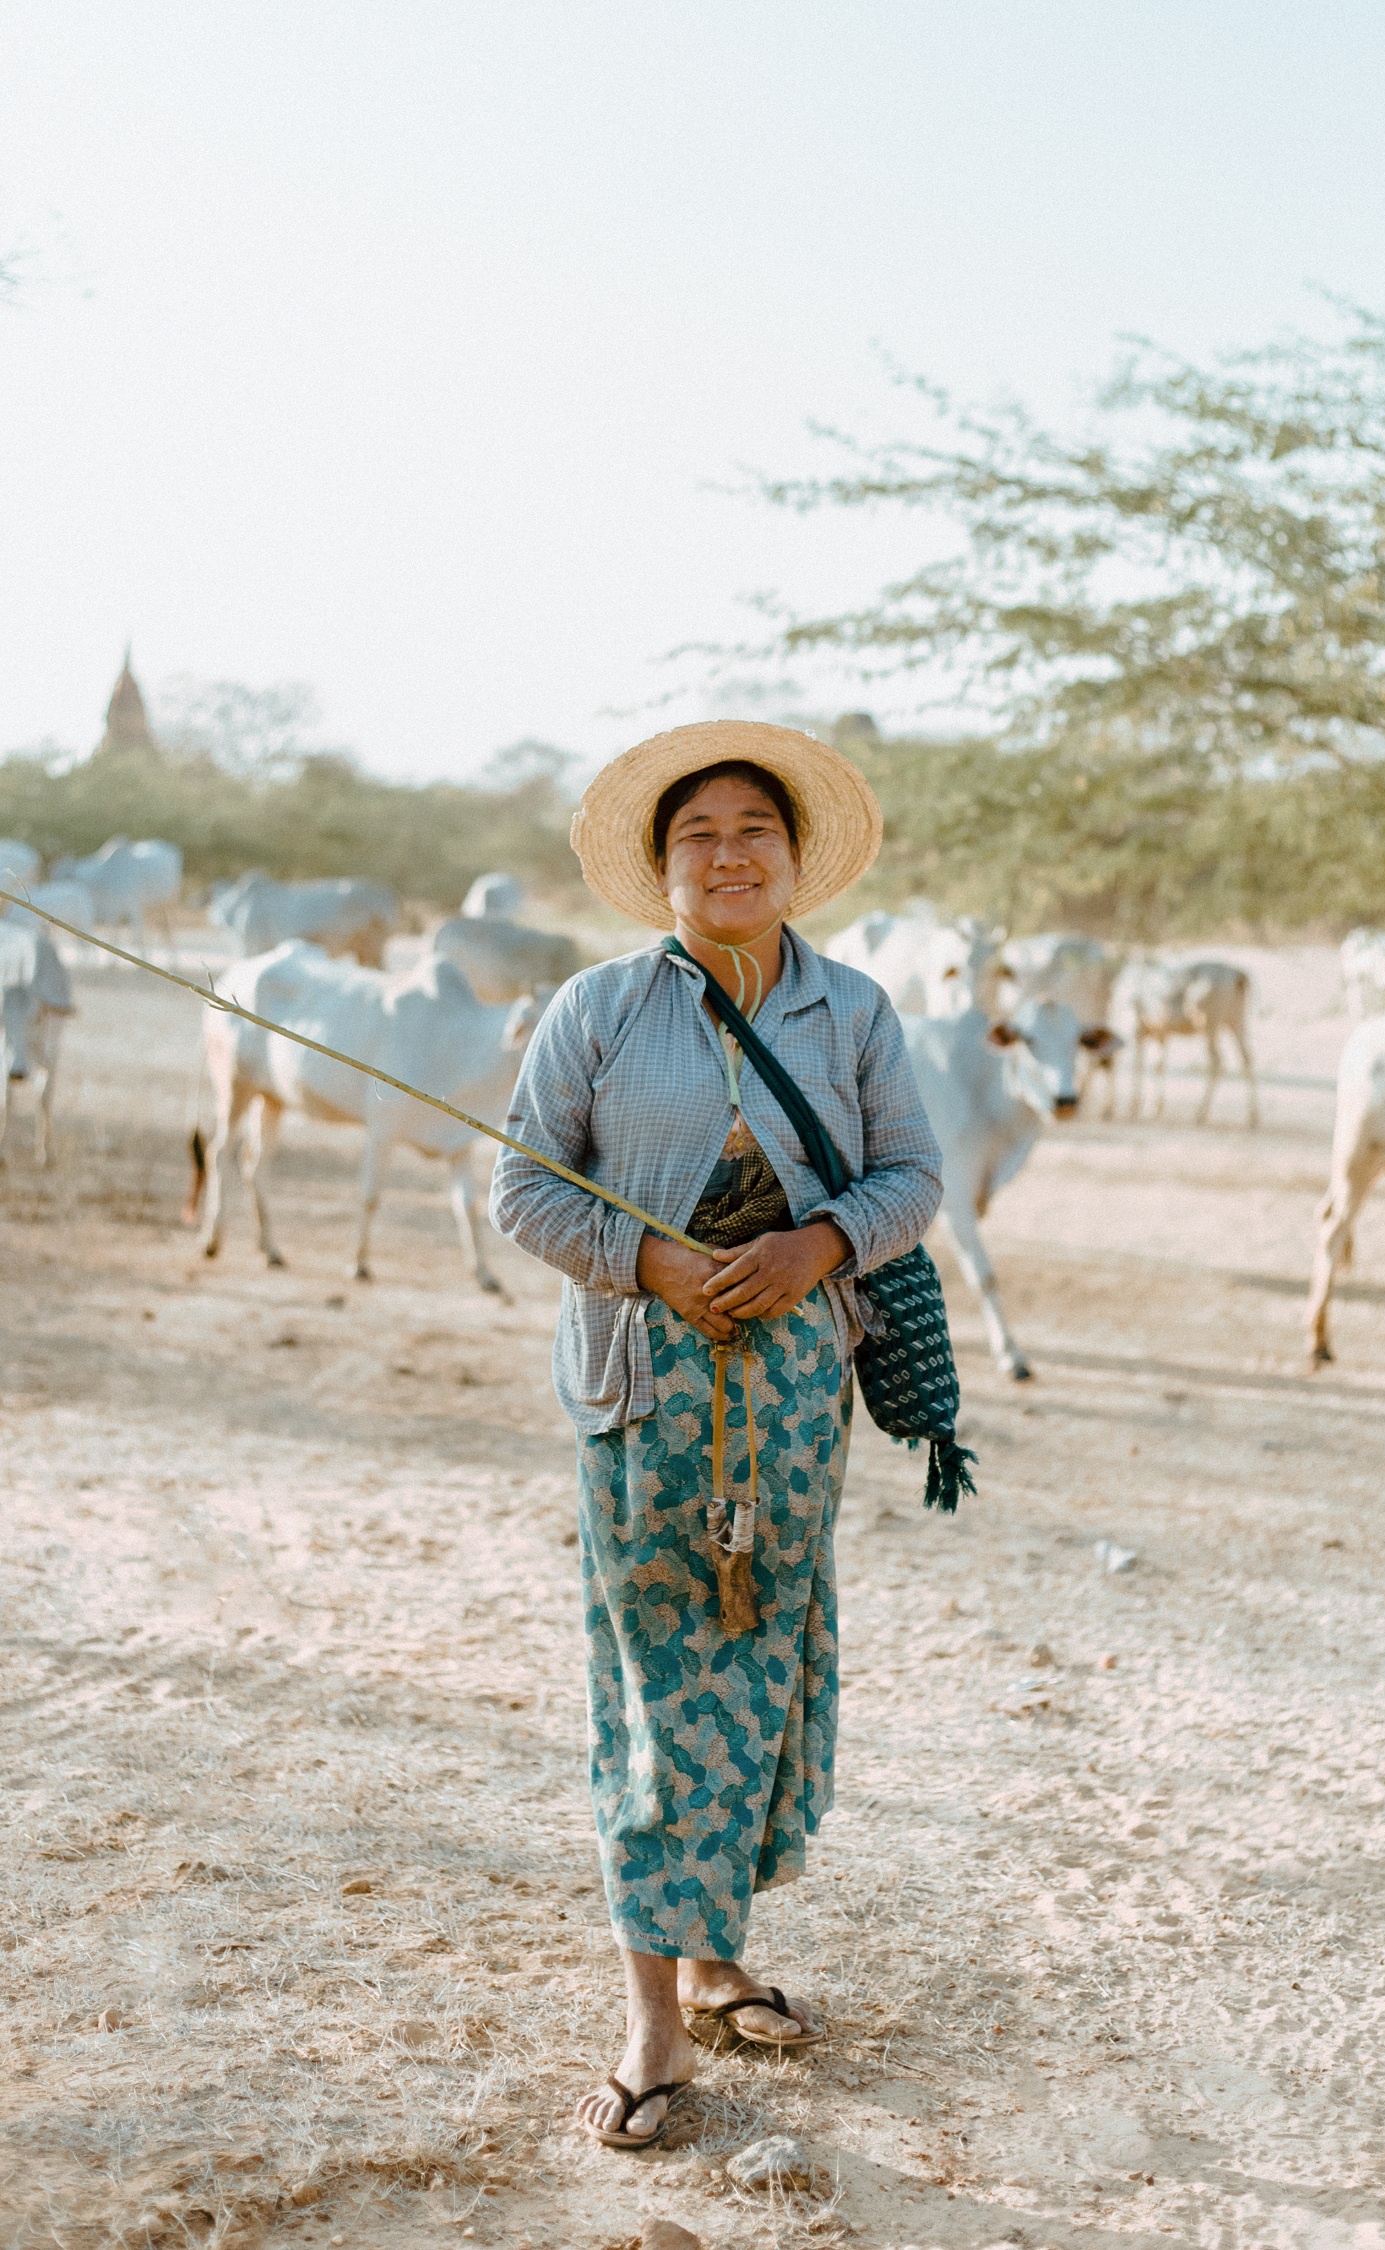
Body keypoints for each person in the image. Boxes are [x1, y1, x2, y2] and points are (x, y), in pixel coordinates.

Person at [491, 719, 942, 2148]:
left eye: (756, 828)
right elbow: (527, 1192)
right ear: (661, 866)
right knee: (656, 1682)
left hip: (799, 1401)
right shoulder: (600, 1011)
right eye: (699, 833)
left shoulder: (854, 1013)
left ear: (796, 859)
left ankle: (718, 1949)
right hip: (642, 1393)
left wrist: (820, 1245)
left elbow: (914, 1177)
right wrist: (655, 1262)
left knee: (762, 1661)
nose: (730, 851)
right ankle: (653, 2022)